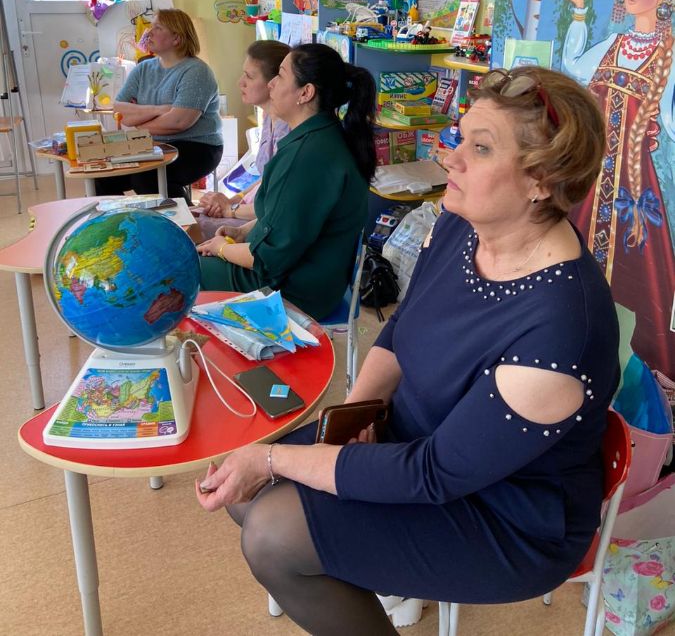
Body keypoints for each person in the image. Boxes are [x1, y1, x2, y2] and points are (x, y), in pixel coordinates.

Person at [195, 66, 620, 636]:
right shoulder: (462, 225)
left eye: (480, 148)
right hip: (414, 440)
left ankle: (372, 569)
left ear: (541, 180)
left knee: (274, 531)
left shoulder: (560, 327)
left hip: (506, 514)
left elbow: (435, 474)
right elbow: (400, 330)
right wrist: (355, 418)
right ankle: (372, 568)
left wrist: (273, 459)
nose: (450, 158)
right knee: (248, 497)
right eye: (459, 138)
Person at [561, 0, 675, 373]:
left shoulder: (668, 54)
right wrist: (579, 12)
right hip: (593, 178)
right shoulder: (614, 42)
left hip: (634, 187)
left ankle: (639, 374)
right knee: (575, 264)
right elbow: (572, 67)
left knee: (638, 281)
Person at [196, 43, 376, 321]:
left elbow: (267, 261)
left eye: (280, 75)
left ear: (306, 93)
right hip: (306, 277)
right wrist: (242, 232)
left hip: (293, 291)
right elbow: (283, 218)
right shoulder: (320, 137)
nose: (271, 84)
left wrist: (221, 248)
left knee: (184, 269)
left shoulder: (308, 156)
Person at [95, 9, 223, 200]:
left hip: (197, 146)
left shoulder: (196, 71)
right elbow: (120, 110)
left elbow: (179, 122)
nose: (149, 32)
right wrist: (160, 110)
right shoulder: (143, 68)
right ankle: (122, 218)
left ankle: (186, 218)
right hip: (152, 144)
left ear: (176, 38)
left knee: (146, 177)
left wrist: (138, 122)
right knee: (103, 177)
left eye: (158, 28)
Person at [196, 40, 291, 239]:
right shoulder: (269, 117)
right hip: (253, 210)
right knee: (191, 215)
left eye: (249, 76)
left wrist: (231, 210)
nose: (241, 82)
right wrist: (233, 200)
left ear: (274, 83)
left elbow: (278, 206)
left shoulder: (289, 129)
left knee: (191, 228)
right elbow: (267, 178)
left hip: (267, 223)